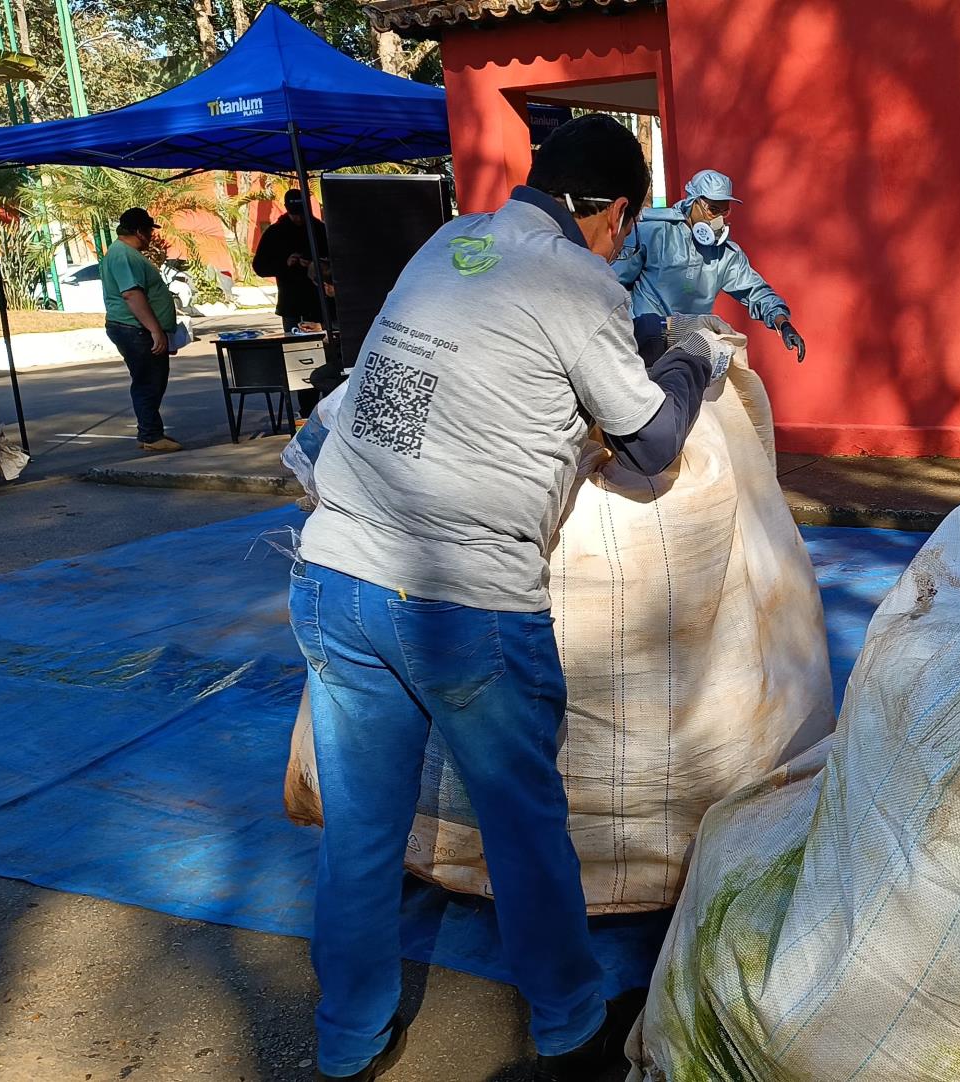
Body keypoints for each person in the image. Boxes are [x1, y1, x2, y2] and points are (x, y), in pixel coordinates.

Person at [290, 114, 721, 1082]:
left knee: (361, 829)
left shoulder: (454, 240)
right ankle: (570, 1027)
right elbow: (650, 443)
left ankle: (347, 1039)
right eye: (626, 228)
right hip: (464, 605)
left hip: (337, 577)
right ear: (613, 214)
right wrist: (689, 356)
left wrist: (627, 328)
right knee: (525, 826)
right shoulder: (580, 282)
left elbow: (452, 371)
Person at [613, 168, 807, 361]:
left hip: (689, 350)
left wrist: (783, 323)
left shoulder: (724, 254)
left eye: (725, 211)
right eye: (713, 210)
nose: (719, 219)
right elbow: (613, 284)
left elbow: (756, 292)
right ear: (692, 202)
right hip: (641, 343)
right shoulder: (654, 233)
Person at [99, 207, 182, 453]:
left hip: (136, 328)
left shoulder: (124, 253)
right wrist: (155, 330)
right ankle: (151, 434)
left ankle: (151, 431)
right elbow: (131, 294)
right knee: (148, 381)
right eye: (148, 231)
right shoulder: (123, 255)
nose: (151, 236)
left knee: (153, 380)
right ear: (138, 231)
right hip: (134, 329)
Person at [253, 188, 330, 333]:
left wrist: (316, 263)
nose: (298, 219)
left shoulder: (319, 229)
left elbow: (335, 258)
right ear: (287, 210)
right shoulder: (274, 233)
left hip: (321, 302)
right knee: (295, 348)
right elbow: (259, 267)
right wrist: (285, 263)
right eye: (294, 214)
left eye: (301, 214)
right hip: (291, 303)